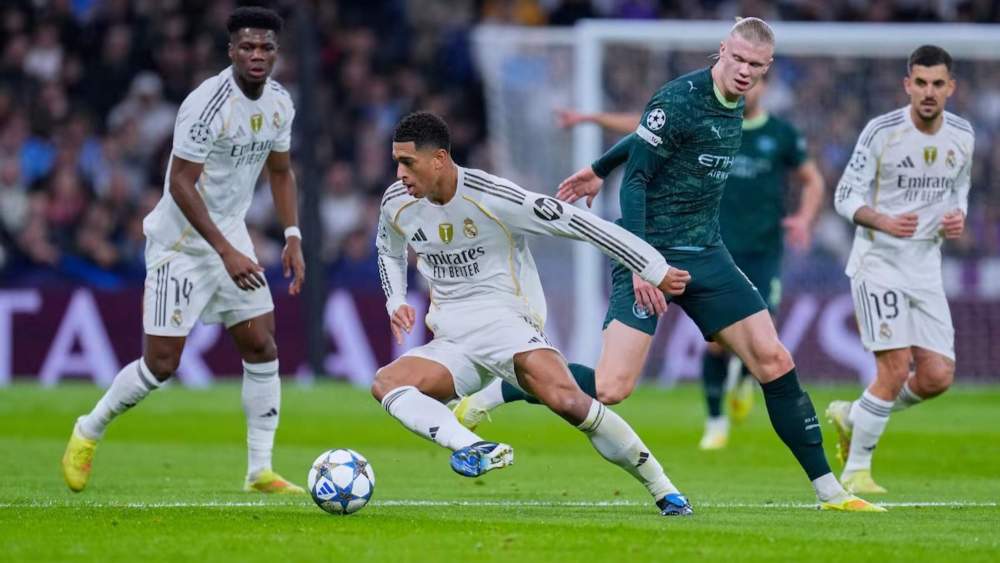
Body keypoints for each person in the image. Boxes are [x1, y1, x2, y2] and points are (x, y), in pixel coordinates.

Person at [454, 17, 879, 511]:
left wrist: (598, 166)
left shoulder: (738, 104)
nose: (745, 71)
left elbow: (644, 138)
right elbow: (636, 181)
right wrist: (641, 263)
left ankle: (830, 491)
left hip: (707, 252)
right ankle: (503, 390)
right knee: (612, 387)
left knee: (775, 361)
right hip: (647, 248)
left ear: (767, 69)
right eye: (738, 59)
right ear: (722, 50)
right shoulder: (680, 98)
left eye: (756, 66)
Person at [372, 111, 695, 516]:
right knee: (387, 382)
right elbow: (388, 248)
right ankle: (473, 448)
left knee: (569, 402)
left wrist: (652, 267)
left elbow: (582, 224)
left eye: (407, 163)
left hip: (508, 325)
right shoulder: (396, 202)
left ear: (438, 159)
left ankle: (664, 489)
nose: (399, 174)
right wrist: (396, 299)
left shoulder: (494, 197)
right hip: (451, 339)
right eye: (396, 162)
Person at [61, 7, 306, 494]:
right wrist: (225, 252)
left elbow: (280, 171)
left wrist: (293, 235)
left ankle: (259, 470)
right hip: (181, 244)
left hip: (230, 235)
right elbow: (179, 183)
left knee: (262, 344)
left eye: (266, 48)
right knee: (161, 365)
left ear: (277, 53)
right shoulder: (207, 104)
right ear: (231, 51)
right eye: (247, 47)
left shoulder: (280, 102)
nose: (257, 55)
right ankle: (88, 429)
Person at [532, 72, 825, 450]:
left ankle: (744, 382)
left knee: (764, 344)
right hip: (701, 246)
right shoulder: (705, 111)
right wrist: (595, 128)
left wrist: (804, 218)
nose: (746, 80)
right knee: (705, 351)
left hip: (759, 250)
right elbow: (646, 132)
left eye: (755, 74)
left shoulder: (778, 134)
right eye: (740, 65)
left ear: (766, 84)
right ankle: (717, 421)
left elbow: (812, 179)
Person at [826, 45, 973, 494]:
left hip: (926, 265)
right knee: (892, 369)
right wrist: (882, 220)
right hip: (879, 262)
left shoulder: (963, 135)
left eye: (937, 84)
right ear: (907, 84)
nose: (929, 92)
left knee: (936, 377)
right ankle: (856, 473)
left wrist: (958, 217)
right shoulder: (882, 131)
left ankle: (854, 414)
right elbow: (844, 196)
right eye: (921, 83)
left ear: (951, 88)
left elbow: (960, 190)